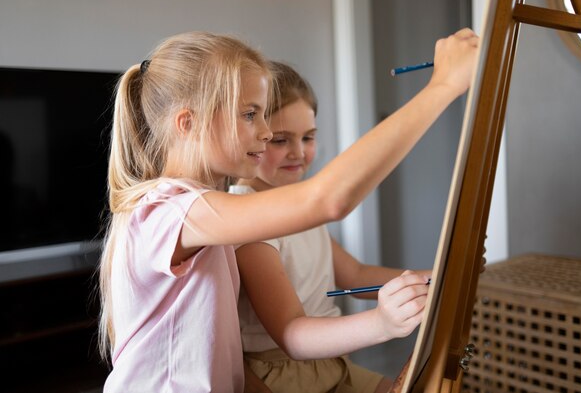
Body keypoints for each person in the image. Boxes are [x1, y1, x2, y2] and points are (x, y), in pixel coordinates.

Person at [98, 29, 479, 393]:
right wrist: (442, 87)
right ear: (188, 123)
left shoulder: (206, 213)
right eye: (250, 115)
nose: (264, 132)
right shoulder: (170, 210)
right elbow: (329, 200)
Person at [230, 61, 432, 393]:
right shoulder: (247, 216)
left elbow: (352, 275)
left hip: (330, 364)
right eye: (280, 140)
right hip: (282, 375)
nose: (298, 152)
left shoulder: (297, 203)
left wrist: (433, 279)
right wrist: (382, 323)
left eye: (308, 137)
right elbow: (291, 333)